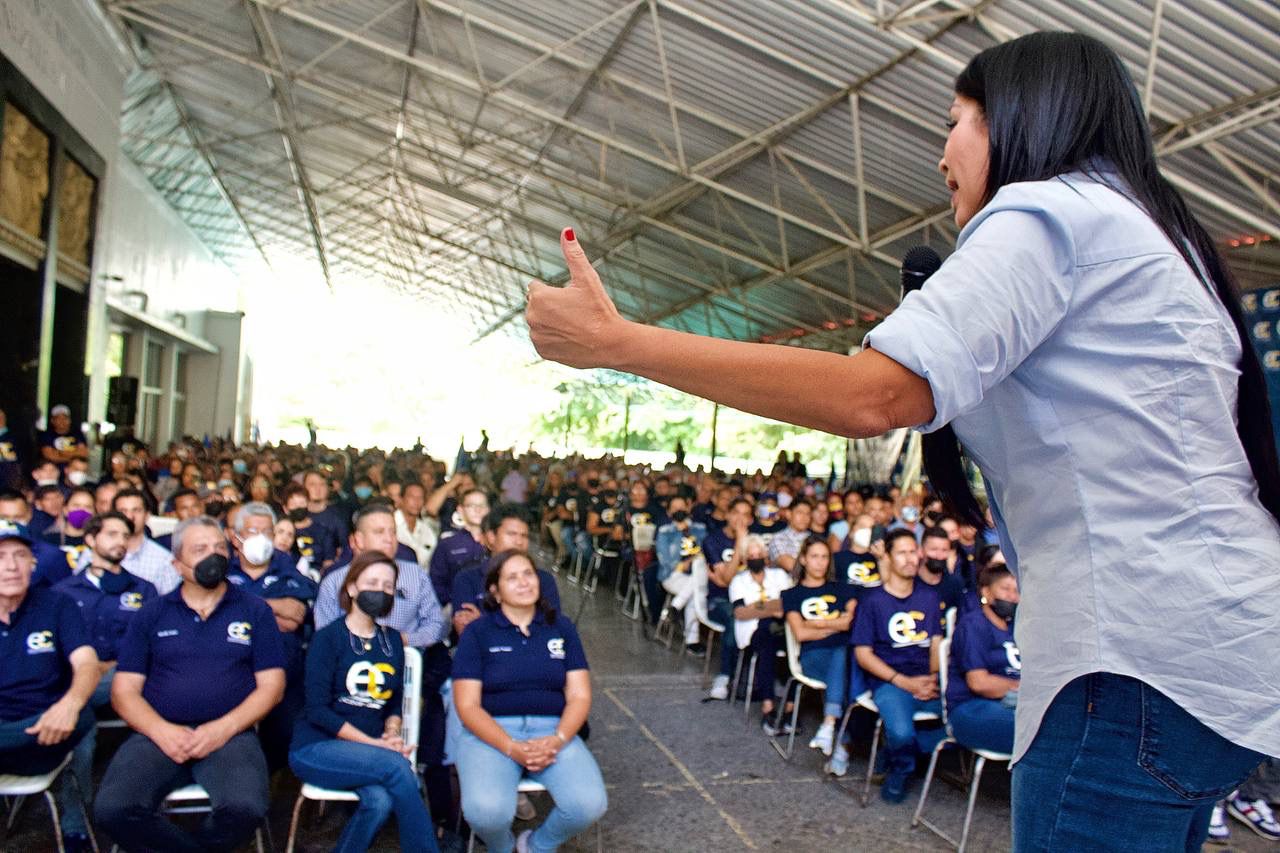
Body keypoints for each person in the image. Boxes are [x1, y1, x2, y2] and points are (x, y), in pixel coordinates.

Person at [527, 31, 1280, 848]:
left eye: (956, 121)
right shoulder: (1150, 234)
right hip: (1215, 649)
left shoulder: (1050, 213)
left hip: (1131, 661)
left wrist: (619, 343)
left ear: (1021, 119)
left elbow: (870, 394)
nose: (941, 155)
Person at [95, 516, 286, 852]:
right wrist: (160, 731)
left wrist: (221, 729)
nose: (214, 556)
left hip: (231, 735)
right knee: (114, 809)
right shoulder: (151, 613)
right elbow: (124, 691)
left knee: (247, 808)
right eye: (200, 549)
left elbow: (272, 685)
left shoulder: (255, 610)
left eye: (219, 548)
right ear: (177, 564)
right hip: (158, 733)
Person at [453, 550, 607, 853]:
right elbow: (467, 705)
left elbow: (579, 695)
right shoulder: (478, 633)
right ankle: (502, 847)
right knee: (486, 812)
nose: (524, 582)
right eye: (512, 577)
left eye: (529, 574)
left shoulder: (561, 628)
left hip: (553, 729)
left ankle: (535, 846)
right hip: (491, 732)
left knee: (588, 804)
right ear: (495, 592)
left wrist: (558, 739)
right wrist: (511, 746)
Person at [289, 551, 439, 853]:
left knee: (380, 801)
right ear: (352, 588)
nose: (380, 591)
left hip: (370, 752)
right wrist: (376, 747)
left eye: (388, 586)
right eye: (372, 582)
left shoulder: (393, 640)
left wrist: (392, 731)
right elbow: (317, 710)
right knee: (398, 769)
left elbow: (394, 700)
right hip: (317, 747)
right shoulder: (328, 639)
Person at [52, 512, 158, 846]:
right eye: (111, 534)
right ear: (90, 539)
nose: (120, 542)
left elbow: (155, 645)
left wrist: (107, 664)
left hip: (128, 677)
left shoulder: (144, 590)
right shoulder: (63, 592)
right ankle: (78, 821)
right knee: (78, 719)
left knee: (74, 708)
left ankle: (87, 822)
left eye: (125, 535)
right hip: (76, 682)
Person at [0, 519, 100, 845]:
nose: (11, 567)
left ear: (33, 563)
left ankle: (75, 825)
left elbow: (86, 662)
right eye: (0, 557)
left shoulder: (57, 605)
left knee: (83, 715)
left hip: (50, 732)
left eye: (19, 556)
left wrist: (69, 704)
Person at [850, 529, 946, 803]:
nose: (909, 559)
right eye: (901, 553)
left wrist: (932, 678)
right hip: (890, 681)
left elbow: (936, 643)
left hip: (925, 679)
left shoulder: (929, 596)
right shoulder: (872, 600)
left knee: (960, 722)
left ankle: (892, 750)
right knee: (903, 732)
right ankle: (902, 767)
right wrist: (902, 681)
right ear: (888, 558)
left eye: (912, 552)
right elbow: (863, 654)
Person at [228, 501, 318, 772]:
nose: (261, 539)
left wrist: (241, 608)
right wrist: (272, 609)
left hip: (283, 674)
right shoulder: (221, 570)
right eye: (253, 531)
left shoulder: (286, 567)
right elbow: (215, 610)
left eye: (267, 531)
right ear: (236, 538)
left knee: (285, 739)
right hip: (231, 670)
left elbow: (295, 616)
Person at [780, 537, 856, 758]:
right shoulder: (792, 594)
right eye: (814, 556)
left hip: (845, 655)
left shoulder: (841, 588)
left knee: (843, 658)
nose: (820, 562)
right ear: (803, 559)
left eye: (825, 557)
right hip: (814, 656)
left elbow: (852, 622)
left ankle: (830, 726)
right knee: (846, 668)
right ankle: (842, 744)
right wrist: (837, 625)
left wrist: (819, 623)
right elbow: (801, 633)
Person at [450, 504, 560, 638]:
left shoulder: (543, 580)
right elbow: (466, 631)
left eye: (524, 536)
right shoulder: (467, 578)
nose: (519, 542)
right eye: (512, 534)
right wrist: (523, 626)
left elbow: (551, 630)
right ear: (491, 537)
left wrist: (484, 622)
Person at [946, 561, 1021, 756]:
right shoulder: (973, 625)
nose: (1012, 597)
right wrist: (1022, 687)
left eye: (1016, 591)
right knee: (1037, 731)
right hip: (971, 708)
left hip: (1011, 704)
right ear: (986, 592)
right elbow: (979, 683)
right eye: (1005, 589)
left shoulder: (1016, 627)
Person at [728, 536, 793, 729]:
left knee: (795, 649)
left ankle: (790, 708)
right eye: (751, 555)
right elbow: (740, 612)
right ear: (745, 559)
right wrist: (771, 607)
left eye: (759, 554)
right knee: (766, 643)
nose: (755, 558)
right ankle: (768, 706)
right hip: (753, 632)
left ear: (766, 556)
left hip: (783, 629)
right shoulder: (738, 582)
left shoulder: (780, 576)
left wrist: (757, 607)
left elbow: (788, 602)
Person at [703, 496, 752, 700]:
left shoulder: (755, 541)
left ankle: (751, 676)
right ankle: (725, 675)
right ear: (728, 515)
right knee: (736, 617)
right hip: (719, 600)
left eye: (746, 514)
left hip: (750, 598)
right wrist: (740, 543)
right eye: (736, 513)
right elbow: (725, 579)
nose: (740, 519)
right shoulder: (712, 540)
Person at [654, 494, 709, 652]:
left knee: (696, 584)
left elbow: (706, 553)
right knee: (696, 591)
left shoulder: (699, 529)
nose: (679, 511)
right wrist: (687, 562)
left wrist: (692, 562)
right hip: (672, 575)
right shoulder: (665, 531)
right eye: (675, 508)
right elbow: (665, 560)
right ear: (669, 512)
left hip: (698, 574)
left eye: (682, 507)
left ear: (688, 508)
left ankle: (676, 606)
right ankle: (692, 640)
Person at [109, 488, 181, 594]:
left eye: (136, 510)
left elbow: (170, 605)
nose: (130, 517)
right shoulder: (96, 555)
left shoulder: (164, 560)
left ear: (147, 516)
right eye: (123, 511)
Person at [428, 487, 488, 608]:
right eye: (471, 505)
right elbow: (437, 584)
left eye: (482, 505)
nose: (478, 510)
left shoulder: (497, 542)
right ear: (460, 510)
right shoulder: (447, 545)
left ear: (488, 509)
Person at [766, 498, 812, 574]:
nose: (804, 517)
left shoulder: (814, 539)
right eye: (800, 513)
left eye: (808, 514)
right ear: (788, 514)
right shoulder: (778, 538)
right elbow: (790, 565)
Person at [396, 482, 437, 566]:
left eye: (420, 498)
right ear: (401, 499)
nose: (416, 501)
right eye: (412, 497)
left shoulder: (427, 529)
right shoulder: (390, 525)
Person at [39, 404, 88, 469]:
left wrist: (59, 453)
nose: (62, 421)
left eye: (65, 418)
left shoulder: (77, 434)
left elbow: (83, 453)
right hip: (52, 473)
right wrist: (74, 454)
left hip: (74, 472)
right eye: (58, 418)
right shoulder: (47, 435)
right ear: (52, 421)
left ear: (69, 420)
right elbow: (49, 456)